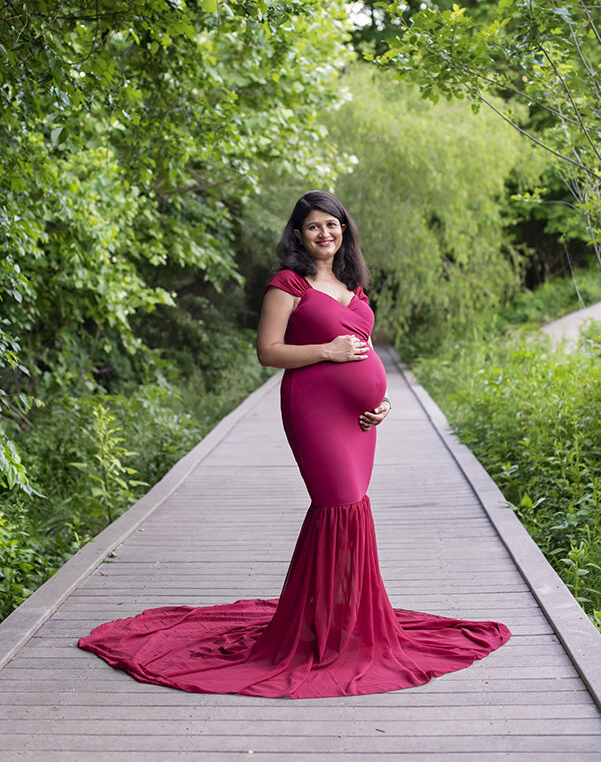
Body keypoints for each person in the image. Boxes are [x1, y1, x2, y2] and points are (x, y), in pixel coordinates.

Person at [79, 190, 510, 698]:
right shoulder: (288, 283)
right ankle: (320, 635)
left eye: (332, 224)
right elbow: (268, 351)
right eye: (313, 227)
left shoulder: (353, 285)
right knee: (338, 505)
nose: (324, 234)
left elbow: (366, 354)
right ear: (299, 235)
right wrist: (327, 349)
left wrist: (383, 403)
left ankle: (341, 622)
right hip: (312, 408)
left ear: (343, 230)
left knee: (353, 507)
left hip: (359, 420)